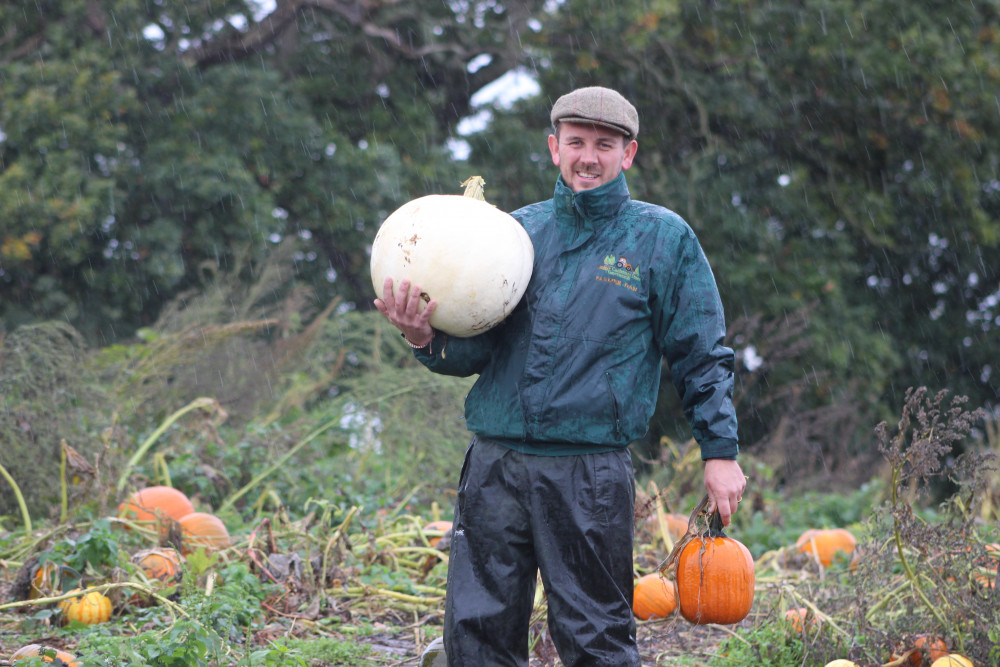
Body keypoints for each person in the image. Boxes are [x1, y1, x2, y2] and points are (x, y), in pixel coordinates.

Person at [374, 86, 745, 667]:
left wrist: (719, 450)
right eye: (576, 142)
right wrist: (423, 337)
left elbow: (701, 353)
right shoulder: (511, 237)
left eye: (604, 144)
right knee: (476, 632)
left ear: (629, 154)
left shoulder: (662, 239)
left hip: (588, 473)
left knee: (595, 637)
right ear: (554, 148)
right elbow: (476, 351)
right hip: (495, 466)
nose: (588, 157)